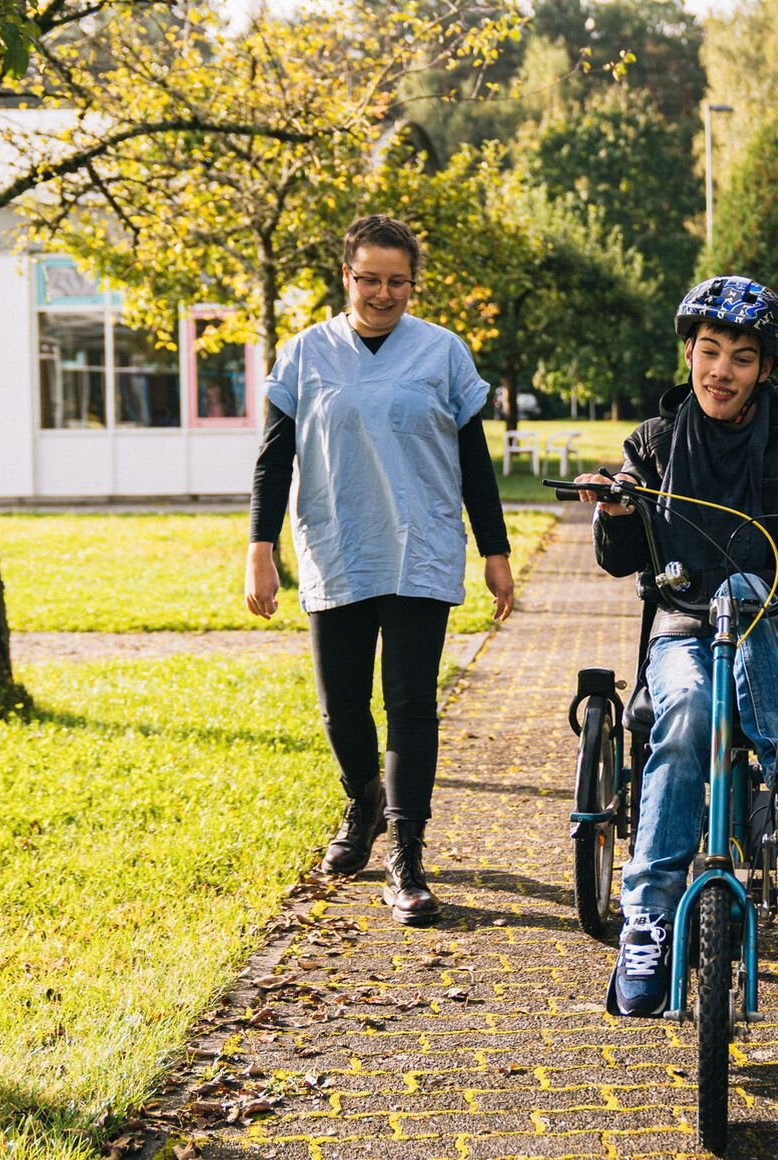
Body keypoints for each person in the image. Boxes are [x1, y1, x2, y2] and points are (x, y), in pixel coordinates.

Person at [575, 276, 778, 1015]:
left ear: (764, 369)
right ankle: (649, 922)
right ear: (689, 353)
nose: (722, 370)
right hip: (682, 639)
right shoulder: (654, 444)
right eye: (710, 351)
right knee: (685, 716)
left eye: (743, 357)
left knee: (745, 593)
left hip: (777, 639)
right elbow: (617, 552)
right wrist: (617, 502)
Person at [245, 214, 514, 927]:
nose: (383, 293)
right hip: (338, 545)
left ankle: (406, 854)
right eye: (370, 279)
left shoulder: (443, 352)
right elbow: (274, 462)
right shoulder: (305, 354)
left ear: (412, 284)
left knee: (410, 703)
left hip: (421, 547)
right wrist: (260, 549)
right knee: (340, 706)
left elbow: (475, 464)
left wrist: (495, 552)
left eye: (397, 281)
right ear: (347, 277)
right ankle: (363, 798)